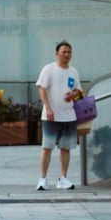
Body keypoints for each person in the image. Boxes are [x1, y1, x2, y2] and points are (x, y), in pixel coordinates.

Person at [36, 40, 82, 190]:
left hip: (69, 116)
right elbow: (42, 89)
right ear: (57, 53)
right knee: (47, 147)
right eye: (64, 52)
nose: (67, 54)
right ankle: (42, 179)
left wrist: (73, 94)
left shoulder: (73, 71)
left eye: (69, 52)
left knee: (65, 148)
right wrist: (48, 108)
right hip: (51, 116)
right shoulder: (49, 69)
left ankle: (63, 178)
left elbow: (78, 91)